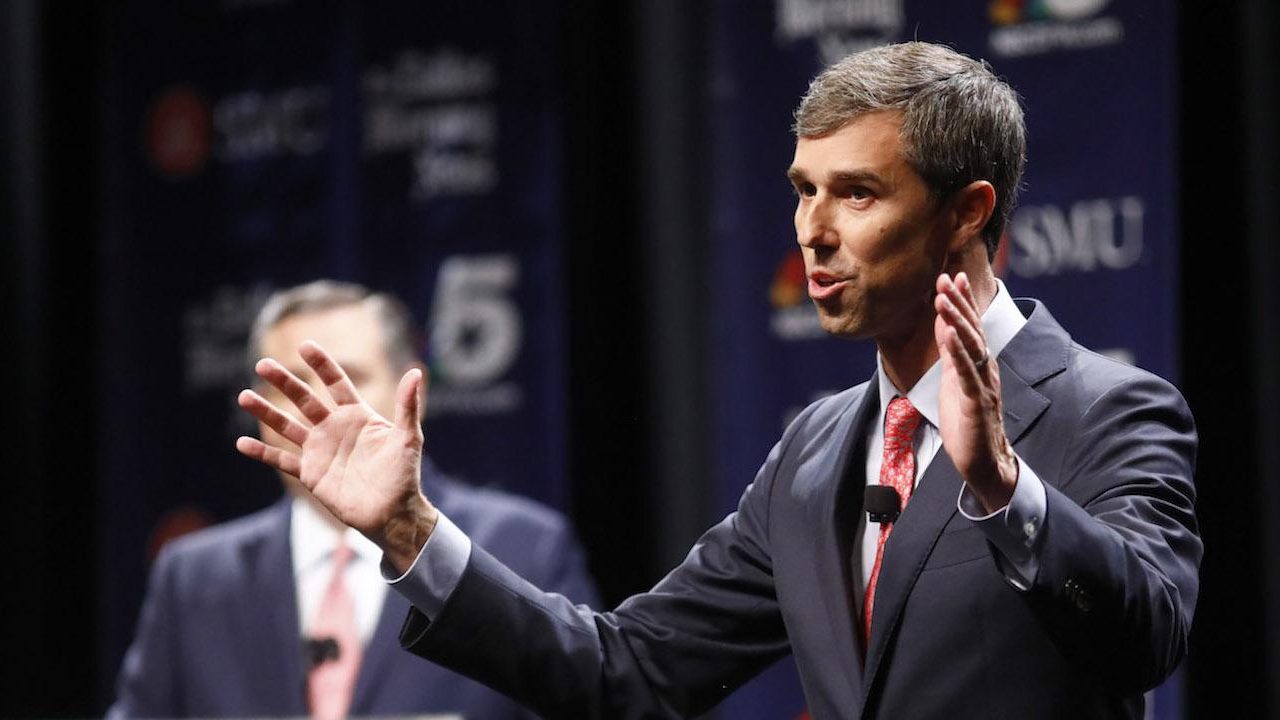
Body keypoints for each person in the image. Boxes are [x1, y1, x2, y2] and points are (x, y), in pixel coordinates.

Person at [235, 43, 1200, 719]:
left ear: (967, 211)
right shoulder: (817, 450)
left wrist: (1005, 492)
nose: (812, 231)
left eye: (856, 193)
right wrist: (407, 531)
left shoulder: (1105, 410)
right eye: (802, 190)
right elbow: (630, 673)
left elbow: (1149, 636)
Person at [111, 280, 599, 719]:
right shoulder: (192, 579)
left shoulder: (523, 550)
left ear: (414, 393)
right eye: (291, 386)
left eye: (349, 379)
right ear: (258, 408)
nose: (322, 410)